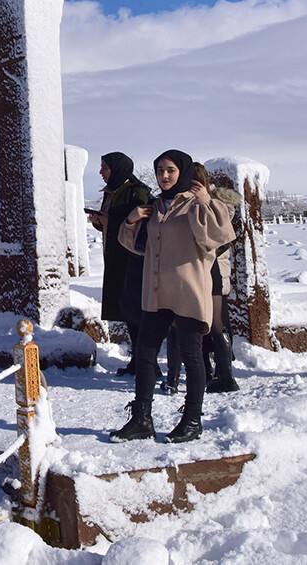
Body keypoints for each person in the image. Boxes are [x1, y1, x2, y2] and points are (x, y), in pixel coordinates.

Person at [111, 150, 234, 444]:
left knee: (192, 357)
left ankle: (192, 420)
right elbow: (135, 246)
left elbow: (219, 237)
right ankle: (142, 419)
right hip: (156, 291)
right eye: (159, 171)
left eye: (170, 171)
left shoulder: (197, 204)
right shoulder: (154, 206)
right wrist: (131, 220)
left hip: (188, 291)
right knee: (144, 354)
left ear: (184, 172)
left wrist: (205, 200)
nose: (164, 177)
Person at [88, 153, 152, 376]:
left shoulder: (137, 192)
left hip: (132, 260)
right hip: (115, 260)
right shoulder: (112, 191)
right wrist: (100, 223)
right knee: (127, 311)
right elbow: (111, 223)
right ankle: (138, 359)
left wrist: (110, 221)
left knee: (137, 311)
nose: (101, 172)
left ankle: (147, 362)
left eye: (104, 167)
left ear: (117, 169)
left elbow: (141, 226)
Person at [192, 163, 242, 393]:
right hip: (198, 269)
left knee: (215, 324)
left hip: (211, 269)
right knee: (199, 323)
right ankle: (207, 371)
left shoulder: (215, 204)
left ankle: (226, 374)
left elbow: (222, 238)